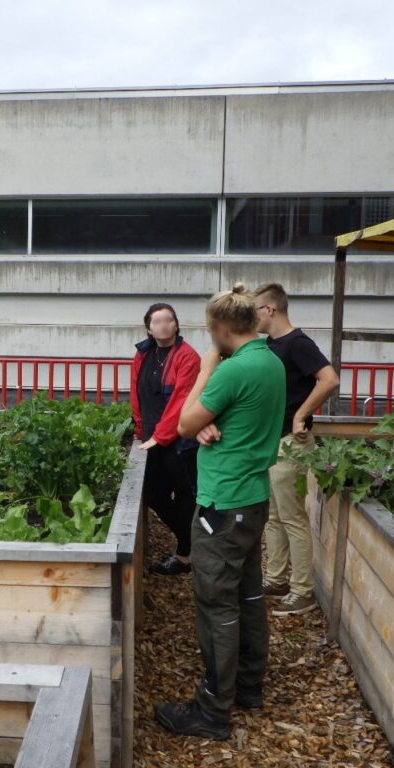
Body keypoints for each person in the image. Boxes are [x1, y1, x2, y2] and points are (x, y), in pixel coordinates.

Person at [154, 283, 285, 741]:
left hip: (222, 505)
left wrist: (208, 365)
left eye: (212, 332)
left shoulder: (230, 369)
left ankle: (212, 709)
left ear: (222, 328)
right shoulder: (270, 361)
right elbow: (224, 418)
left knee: (216, 604)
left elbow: (183, 421)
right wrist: (213, 421)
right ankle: (247, 685)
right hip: (252, 499)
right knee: (248, 595)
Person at [254, 283, 340, 616]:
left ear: (270, 309)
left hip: (292, 444)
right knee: (274, 515)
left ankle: (302, 591)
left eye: (255, 310)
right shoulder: (271, 345)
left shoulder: (297, 344)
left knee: (292, 517)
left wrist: (302, 414)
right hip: (273, 442)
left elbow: (330, 379)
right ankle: (276, 579)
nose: (253, 318)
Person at [130, 302, 201, 575]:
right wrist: (141, 430)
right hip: (151, 437)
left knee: (185, 495)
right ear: (149, 327)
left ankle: (184, 555)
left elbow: (181, 401)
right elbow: (138, 394)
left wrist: (161, 436)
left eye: (169, 320)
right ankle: (190, 542)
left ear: (176, 324)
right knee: (154, 493)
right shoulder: (143, 354)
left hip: (179, 440)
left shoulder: (187, 356)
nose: (164, 325)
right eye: (158, 321)